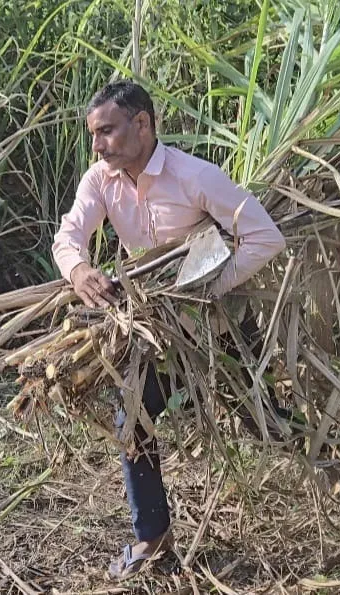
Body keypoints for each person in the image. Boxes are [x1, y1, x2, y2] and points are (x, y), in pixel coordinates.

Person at [51, 80, 287, 579]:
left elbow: (265, 236)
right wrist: (78, 270)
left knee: (264, 420)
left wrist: (206, 286)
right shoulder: (100, 180)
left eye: (107, 132)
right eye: (93, 135)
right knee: (133, 418)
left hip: (215, 327)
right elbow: (71, 234)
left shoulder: (195, 176)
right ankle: (152, 541)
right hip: (154, 333)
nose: (97, 145)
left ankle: (332, 467)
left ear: (142, 124)